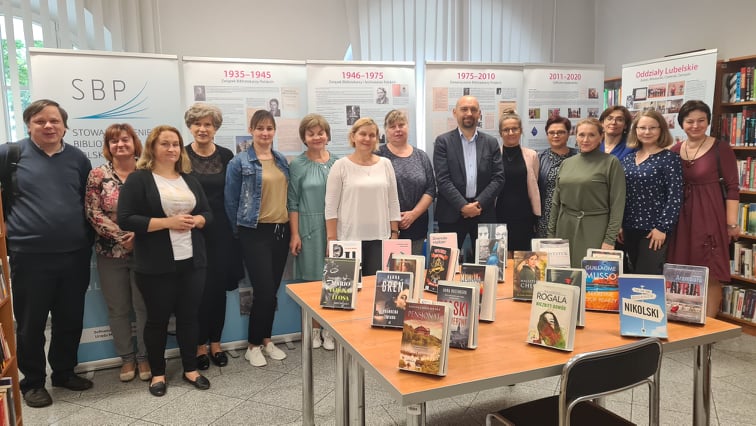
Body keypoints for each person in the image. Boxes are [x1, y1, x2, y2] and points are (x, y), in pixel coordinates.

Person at [0, 99, 93, 408]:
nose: (48, 126)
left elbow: (86, 201)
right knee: (31, 323)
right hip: (30, 255)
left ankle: (64, 372)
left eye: (55, 121)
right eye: (40, 121)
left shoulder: (78, 158)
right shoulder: (10, 155)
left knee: (70, 319)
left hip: (75, 254)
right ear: (29, 125)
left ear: (65, 126)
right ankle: (33, 382)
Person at [118, 125, 212, 397]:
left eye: (175, 144)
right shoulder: (139, 179)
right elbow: (126, 218)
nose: (172, 149)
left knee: (189, 318)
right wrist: (167, 223)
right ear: (152, 148)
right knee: (157, 320)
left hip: (192, 261)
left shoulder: (189, 179)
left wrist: (199, 219)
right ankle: (158, 374)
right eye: (165, 144)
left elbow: (208, 213)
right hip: (155, 264)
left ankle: (190, 369)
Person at [85, 123, 150, 383]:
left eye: (125, 139)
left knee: (143, 307)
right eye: (114, 141)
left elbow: (158, 209)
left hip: (145, 250)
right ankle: (127, 358)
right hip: (110, 252)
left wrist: (139, 236)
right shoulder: (97, 175)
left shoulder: (147, 172)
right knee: (118, 308)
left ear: (135, 143)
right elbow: (93, 212)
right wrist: (123, 237)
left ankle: (144, 357)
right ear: (108, 146)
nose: (120, 144)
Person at [225, 110, 291, 367]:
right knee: (263, 291)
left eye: (269, 128)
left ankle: (266, 339)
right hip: (254, 233)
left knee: (271, 291)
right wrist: (238, 234)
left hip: (280, 231)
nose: (265, 133)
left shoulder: (281, 160)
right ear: (251, 130)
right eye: (260, 128)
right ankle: (252, 345)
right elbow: (231, 202)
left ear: (274, 131)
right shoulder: (239, 162)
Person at [183, 103, 244, 370]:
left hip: (222, 233)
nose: (202, 129)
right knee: (197, 291)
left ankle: (216, 344)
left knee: (218, 290)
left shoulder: (227, 155)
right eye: (197, 124)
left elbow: (233, 193)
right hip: (191, 232)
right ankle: (199, 346)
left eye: (208, 124)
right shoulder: (181, 156)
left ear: (216, 128)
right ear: (190, 126)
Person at [668, 100, 740, 317]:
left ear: (708, 122)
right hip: (681, 218)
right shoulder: (675, 150)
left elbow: (733, 187)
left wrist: (731, 223)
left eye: (701, 120)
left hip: (710, 215)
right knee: (680, 267)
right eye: (690, 121)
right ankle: (683, 317)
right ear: (682, 123)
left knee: (710, 269)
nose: (695, 125)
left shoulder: (720, 149)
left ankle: (709, 323)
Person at [288, 114, 339, 351]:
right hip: (309, 228)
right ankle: (315, 329)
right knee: (314, 282)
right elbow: (293, 202)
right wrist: (295, 234)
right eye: (311, 134)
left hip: (335, 228)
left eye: (320, 132)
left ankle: (331, 330)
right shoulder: (297, 165)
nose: (316, 137)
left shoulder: (339, 163)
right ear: (304, 138)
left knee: (335, 280)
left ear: (327, 135)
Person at [325, 117, 401, 276]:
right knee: (346, 289)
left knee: (376, 287)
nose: (367, 139)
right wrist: (332, 239)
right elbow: (330, 207)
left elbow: (393, 202)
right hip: (348, 239)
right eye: (362, 134)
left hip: (380, 239)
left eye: (372, 135)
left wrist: (394, 233)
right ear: (353, 136)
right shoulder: (340, 166)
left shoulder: (386, 164)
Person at [433, 95, 504, 261]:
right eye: (464, 109)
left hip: (484, 212)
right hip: (451, 213)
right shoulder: (443, 142)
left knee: (488, 264)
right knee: (445, 266)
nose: (469, 113)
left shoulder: (491, 142)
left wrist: (478, 204)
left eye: (473, 109)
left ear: (479, 114)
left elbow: (498, 178)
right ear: (455, 112)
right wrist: (463, 206)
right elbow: (442, 180)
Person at [548, 118, 626, 268]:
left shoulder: (611, 163)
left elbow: (617, 204)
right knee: (564, 274)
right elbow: (556, 202)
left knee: (592, 276)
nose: (585, 140)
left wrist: (609, 239)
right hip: (565, 227)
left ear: (601, 137)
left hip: (595, 228)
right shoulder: (567, 163)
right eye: (581, 135)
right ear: (576, 137)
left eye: (591, 135)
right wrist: (551, 235)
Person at [621, 110, 683, 274]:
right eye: (642, 128)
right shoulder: (628, 159)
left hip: (653, 230)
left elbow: (675, 196)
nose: (647, 132)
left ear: (661, 130)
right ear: (635, 130)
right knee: (630, 275)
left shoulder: (669, 159)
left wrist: (663, 228)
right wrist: (619, 225)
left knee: (646, 277)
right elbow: (621, 194)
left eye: (652, 128)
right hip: (628, 227)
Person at [377, 110, 436, 255]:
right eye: (392, 126)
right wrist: (394, 219)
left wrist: (413, 215)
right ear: (386, 131)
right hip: (385, 227)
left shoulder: (421, 156)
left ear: (407, 127)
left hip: (416, 225)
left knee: (413, 266)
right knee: (386, 267)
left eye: (401, 125)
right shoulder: (378, 155)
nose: (397, 129)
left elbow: (430, 189)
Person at [495, 109, 540, 251]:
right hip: (498, 214)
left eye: (514, 129)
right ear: (500, 133)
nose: (510, 133)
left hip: (524, 215)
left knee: (522, 256)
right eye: (506, 130)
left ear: (521, 131)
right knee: (499, 255)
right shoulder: (493, 155)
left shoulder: (532, 155)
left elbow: (534, 183)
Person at [537, 116, 577, 237]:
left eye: (561, 132)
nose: (556, 135)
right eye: (552, 132)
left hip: (574, 215)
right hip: (546, 217)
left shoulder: (579, 157)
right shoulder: (539, 158)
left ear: (568, 134)